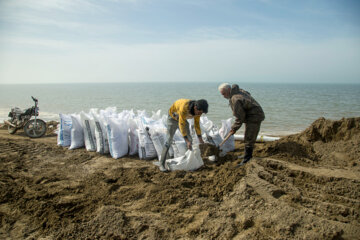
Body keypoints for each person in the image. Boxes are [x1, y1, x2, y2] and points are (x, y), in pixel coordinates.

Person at [218, 83, 265, 166]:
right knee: (247, 136)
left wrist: (234, 128)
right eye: (222, 95)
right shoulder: (238, 91)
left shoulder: (235, 99)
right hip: (250, 115)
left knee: (249, 137)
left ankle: (247, 159)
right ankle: (246, 155)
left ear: (229, 90)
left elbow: (240, 117)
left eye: (224, 94)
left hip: (255, 116)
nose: (223, 96)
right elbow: (248, 94)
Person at [159, 99, 208, 172]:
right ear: (195, 107)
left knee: (190, 140)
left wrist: (200, 138)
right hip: (173, 118)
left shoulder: (198, 111)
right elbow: (181, 125)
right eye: (199, 112)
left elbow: (197, 124)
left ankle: (189, 161)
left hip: (182, 118)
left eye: (201, 113)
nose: (199, 114)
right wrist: (186, 140)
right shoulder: (184, 107)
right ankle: (161, 164)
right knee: (168, 141)